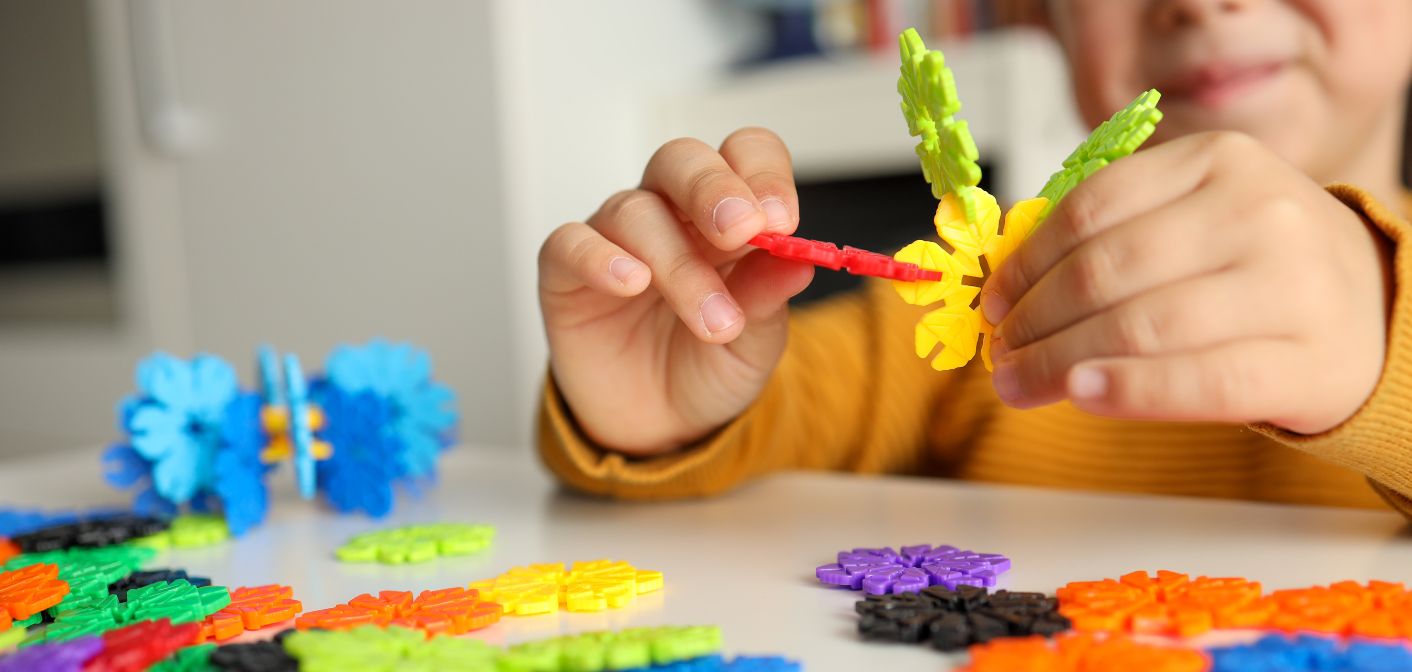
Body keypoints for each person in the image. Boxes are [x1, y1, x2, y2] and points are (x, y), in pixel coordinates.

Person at [534, 0, 1412, 517]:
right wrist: (661, 410)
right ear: (1045, 21)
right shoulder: (969, 318)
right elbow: (774, 420)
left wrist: (1385, 333)